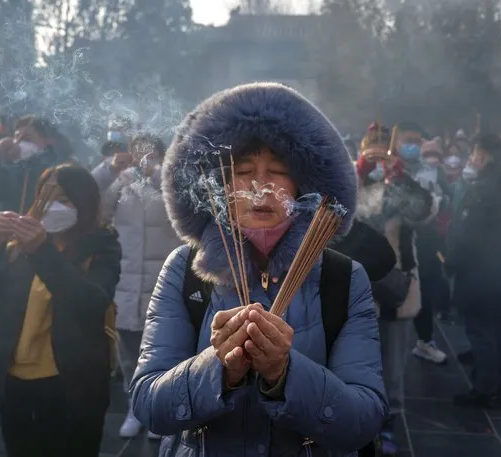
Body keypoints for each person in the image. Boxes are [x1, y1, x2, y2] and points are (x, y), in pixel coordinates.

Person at [131, 83, 388, 456]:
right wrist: (219, 370)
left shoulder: (343, 279)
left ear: (304, 185)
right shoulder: (185, 270)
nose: (260, 186)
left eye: (279, 171)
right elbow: (149, 404)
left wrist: (285, 373)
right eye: (244, 170)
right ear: (218, 184)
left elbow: (363, 418)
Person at [0, 164, 121, 456]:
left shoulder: (101, 245)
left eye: (65, 200)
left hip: (70, 384)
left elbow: (90, 303)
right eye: (47, 197)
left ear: (83, 204)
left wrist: (42, 251)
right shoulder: (16, 247)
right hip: (14, 381)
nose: (55, 207)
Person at [92, 132, 180, 439]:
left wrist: (156, 173)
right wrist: (110, 171)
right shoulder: (122, 182)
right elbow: (94, 207)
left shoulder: (172, 181)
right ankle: (135, 407)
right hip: (126, 280)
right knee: (128, 351)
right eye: (136, 152)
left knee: (164, 350)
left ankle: (159, 410)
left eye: (149, 153)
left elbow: (179, 206)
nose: (142, 158)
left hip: (162, 280)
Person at [354, 122, 435, 455]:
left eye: (383, 148)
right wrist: (357, 176)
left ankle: (388, 422)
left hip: (394, 284)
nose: (377, 153)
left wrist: (399, 179)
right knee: (353, 359)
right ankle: (357, 420)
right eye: (371, 148)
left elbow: (425, 212)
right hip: (354, 283)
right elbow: (337, 215)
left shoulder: (405, 184)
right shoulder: (351, 181)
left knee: (392, 364)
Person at [446, 134, 501, 409]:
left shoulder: (483, 191)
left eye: (475, 154)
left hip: (480, 274)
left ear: (484, 156)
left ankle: (485, 389)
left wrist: (451, 262)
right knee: (500, 330)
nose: (471, 159)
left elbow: (467, 236)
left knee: (481, 332)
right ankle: (499, 385)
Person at [395, 122, 449, 365]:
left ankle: (425, 341)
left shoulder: (431, 171)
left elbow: (445, 198)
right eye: (407, 141)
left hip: (424, 242)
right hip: (392, 243)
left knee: (425, 291)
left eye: (417, 142)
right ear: (396, 142)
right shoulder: (385, 170)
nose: (412, 147)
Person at [0, 115, 65, 214]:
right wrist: (4, 160)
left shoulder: (59, 166)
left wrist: (34, 162)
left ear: (47, 140)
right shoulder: (14, 167)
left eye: (27, 138)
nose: (19, 143)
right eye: (17, 137)